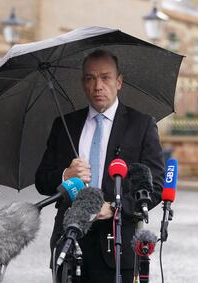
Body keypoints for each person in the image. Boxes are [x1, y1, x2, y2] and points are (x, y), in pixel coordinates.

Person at [35, 49, 164, 283]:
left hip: (117, 247)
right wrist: (65, 174)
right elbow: (42, 180)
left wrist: (115, 208)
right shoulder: (65, 125)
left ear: (119, 82)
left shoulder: (141, 125)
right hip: (69, 242)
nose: (98, 86)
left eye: (105, 77)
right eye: (90, 78)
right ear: (83, 83)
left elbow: (154, 187)